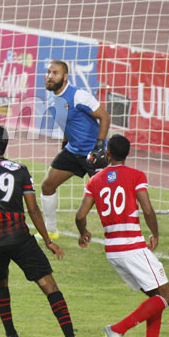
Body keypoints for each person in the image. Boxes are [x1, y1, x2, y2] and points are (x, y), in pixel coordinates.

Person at [0, 124, 86, 337]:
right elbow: (33, 209)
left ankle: (11, 335)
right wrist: (48, 241)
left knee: (0, 282)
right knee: (48, 285)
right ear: (5, 146)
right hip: (19, 238)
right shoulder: (20, 170)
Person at [75, 134, 169, 337]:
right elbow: (147, 210)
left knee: (156, 296)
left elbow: (80, 215)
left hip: (113, 250)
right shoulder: (136, 175)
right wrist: (155, 234)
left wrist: (83, 233)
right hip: (132, 247)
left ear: (107, 153)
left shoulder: (95, 180)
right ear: (127, 154)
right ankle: (117, 329)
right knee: (167, 296)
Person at [41, 59, 111, 239]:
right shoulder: (51, 97)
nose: (49, 76)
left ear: (65, 76)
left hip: (93, 153)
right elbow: (67, 122)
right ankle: (51, 231)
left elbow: (104, 116)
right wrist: (65, 146)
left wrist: (99, 147)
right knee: (47, 185)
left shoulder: (78, 95)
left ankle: (122, 234)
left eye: (55, 73)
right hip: (73, 151)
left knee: (106, 199)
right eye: (48, 72)